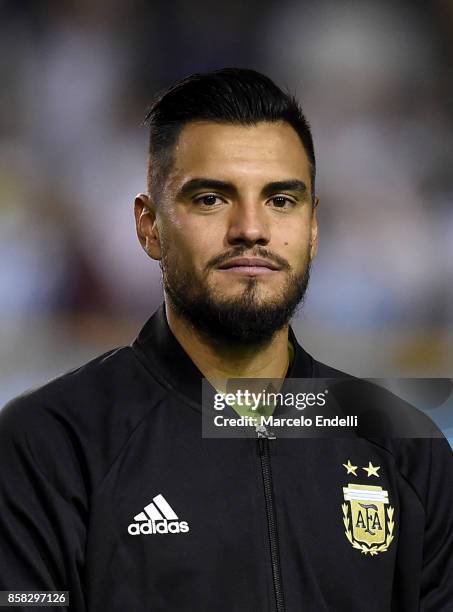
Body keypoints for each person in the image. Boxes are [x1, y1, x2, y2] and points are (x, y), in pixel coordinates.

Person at [0, 68, 452, 611]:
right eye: (212, 199)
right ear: (149, 226)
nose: (251, 229)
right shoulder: (50, 444)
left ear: (312, 228)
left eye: (281, 200)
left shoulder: (403, 444)